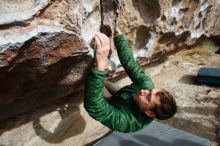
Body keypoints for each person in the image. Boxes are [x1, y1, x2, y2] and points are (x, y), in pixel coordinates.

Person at [84, 28, 177, 133]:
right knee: (99, 80)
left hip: (116, 107)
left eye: (148, 97)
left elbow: (94, 106)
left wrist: (100, 65)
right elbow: (130, 64)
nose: (144, 91)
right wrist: (119, 38)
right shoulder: (146, 86)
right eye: (151, 91)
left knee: (91, 80)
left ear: (150, 113)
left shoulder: (126, 123)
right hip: (124, 96)